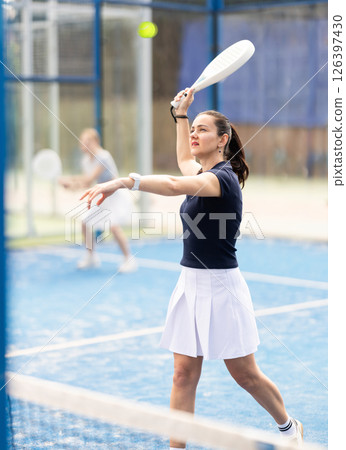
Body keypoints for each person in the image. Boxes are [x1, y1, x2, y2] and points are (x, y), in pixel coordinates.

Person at [80, 90, 304, 448]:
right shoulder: (202, 171)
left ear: (223, 139)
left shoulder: (222, 179)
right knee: (182, 375)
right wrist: (181, 115)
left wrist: (123, 181)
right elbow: (184, 161)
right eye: (192, 130)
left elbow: (172, 184)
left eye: (202, 130)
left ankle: (289, 428)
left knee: (245, 375)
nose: (193, 135)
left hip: (223, 287)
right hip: (189, 284)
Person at [60, 128, 137, 273]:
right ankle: (91, 257)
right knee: (85, 222)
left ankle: (129, 260)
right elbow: (86, 184)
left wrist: (69, 181)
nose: (83, 144)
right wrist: (70, 185)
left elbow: (89, 178)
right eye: (82, 141)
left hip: (115, 195)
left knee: (113, 227)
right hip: (101, 195)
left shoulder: (104, 156)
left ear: (95, 142)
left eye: (87, 141)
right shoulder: (85, 161)